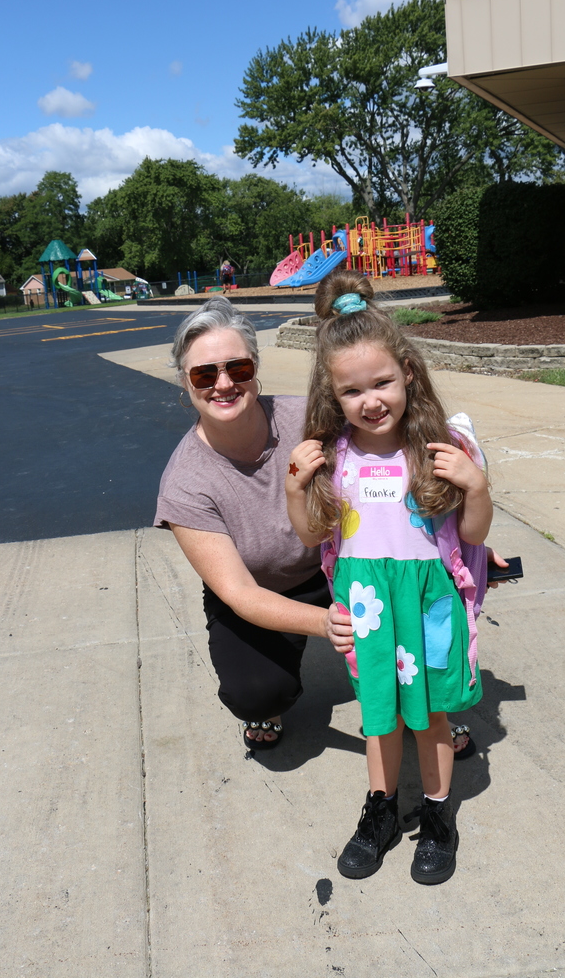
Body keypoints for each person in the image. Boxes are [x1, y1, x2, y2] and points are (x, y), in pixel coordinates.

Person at [285, 270, 493, 885]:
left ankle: (436, 815)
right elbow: (309, 535)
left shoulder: (438, 447)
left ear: (407, 371)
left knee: (427, 713)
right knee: (379, 711)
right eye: (353, 391)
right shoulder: (334, 453)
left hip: (427, 599)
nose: (371, 400)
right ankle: (380, 809)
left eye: (382, 382)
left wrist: (475, 484)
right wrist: (297, 488)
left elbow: (474, 533)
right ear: (333, 393)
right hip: (367, 602)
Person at [154, 295, 353, 749]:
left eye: (237, 368)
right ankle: (280, 664)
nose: (223, 384)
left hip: (334, 563)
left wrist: (459, 545)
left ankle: (437, 700)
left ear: (255, 369)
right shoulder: (184, 483)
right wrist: (327, 623)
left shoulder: (308, 418)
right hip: (256, 587)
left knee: (421, 595)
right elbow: (240, 593)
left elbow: (390, 465)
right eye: (205, 374)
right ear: (186, 382)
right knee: (257, 694)